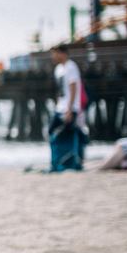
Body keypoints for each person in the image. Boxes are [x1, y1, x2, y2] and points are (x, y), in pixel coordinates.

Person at [48, 43, 88, 171]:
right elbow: (60, 91)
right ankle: (59, 162)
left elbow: (73, 88)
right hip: (60, 108)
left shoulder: (71, 67)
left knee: (70, 133)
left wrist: (70, 110)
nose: (52, 56)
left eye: (54, 53)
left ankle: (71, 162)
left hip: (69, 109)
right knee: (54, 132)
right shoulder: (58, 69)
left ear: (62, 53)